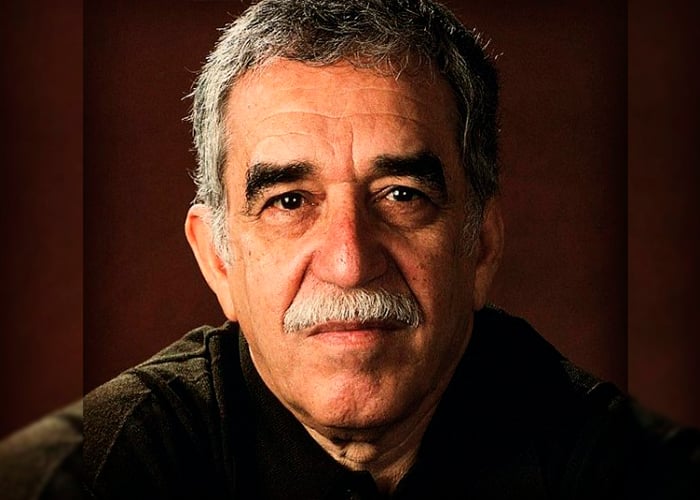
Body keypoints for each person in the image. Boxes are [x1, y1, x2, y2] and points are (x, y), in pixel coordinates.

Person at [80, 0, 700, 498]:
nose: (350, 264)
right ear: (218, 259)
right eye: (290, 202)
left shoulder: (629, 469)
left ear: (480, 246)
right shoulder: (106, 464)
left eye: (402, 196)